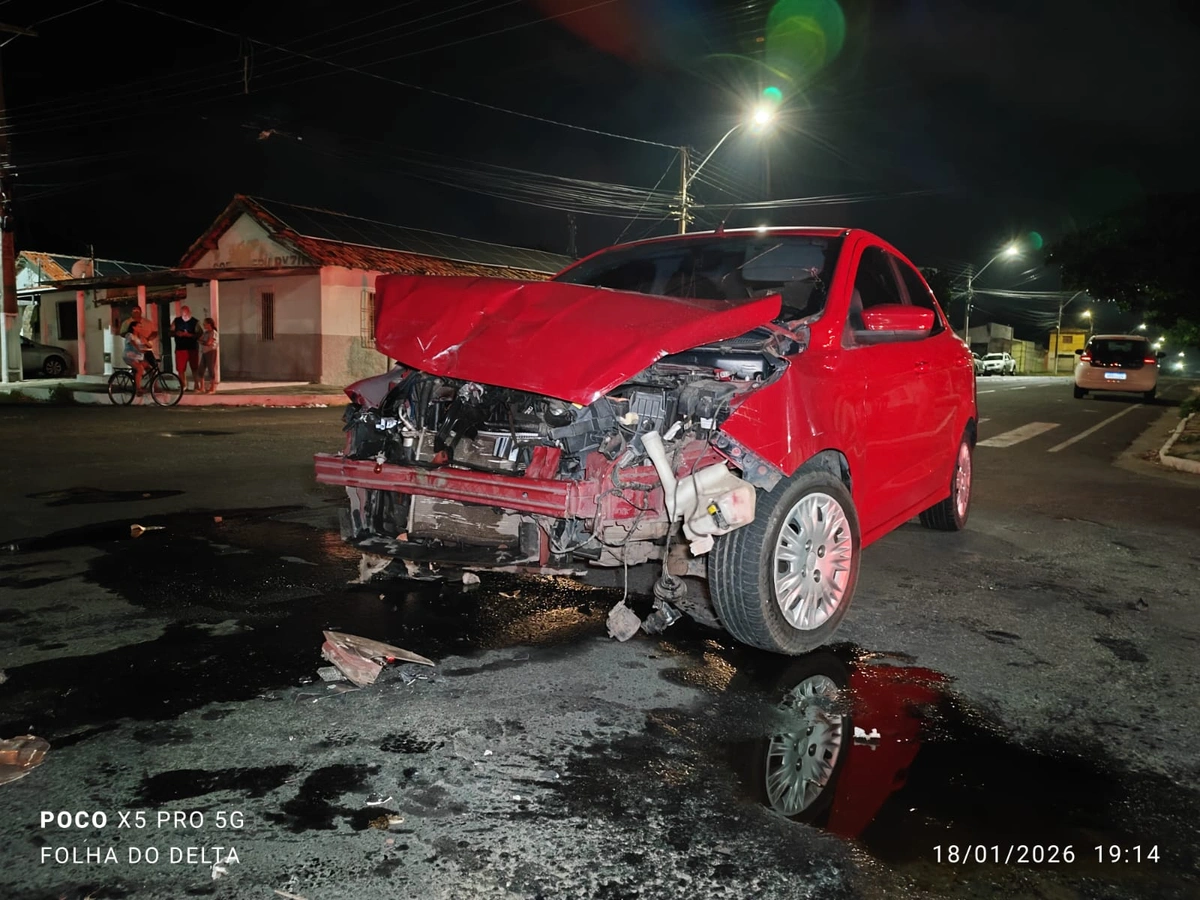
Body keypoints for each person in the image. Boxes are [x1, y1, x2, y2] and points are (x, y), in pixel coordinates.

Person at [121, 308, 157, 397]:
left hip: (138, 356)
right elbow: (134, 345)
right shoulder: (129, 335)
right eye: (139, 326)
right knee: (140, 369)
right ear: (133, 327)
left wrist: (147, 343)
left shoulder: (140, 337)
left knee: (149, 367)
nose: (140, 328)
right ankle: (138, 389)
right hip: (130, 356)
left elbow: (148, 345)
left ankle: (153, 386)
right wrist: (141, 349)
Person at [171, 305, 201, 391]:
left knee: (194, 367)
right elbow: (170, 332)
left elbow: (199, 334)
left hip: (192, 348)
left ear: (189, 312)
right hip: (180, 348)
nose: (184, 316)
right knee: (180, 368)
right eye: (182, 314)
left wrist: (189, 335)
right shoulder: (176, 321)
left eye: (185, 314)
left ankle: (196, 384)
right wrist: (176, 333)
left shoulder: (195, 322)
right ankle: (183, 384)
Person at [198, 318, 219, 394]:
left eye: (205, 324)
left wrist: (202, 342)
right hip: (204, 352)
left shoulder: (213, 332)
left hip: (211, 352)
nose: (204, 325)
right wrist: (203, 341)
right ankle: (202, 387)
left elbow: (209, 343)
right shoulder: (206, 332)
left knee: (211, 369)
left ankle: (212, 388)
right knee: (201, 369)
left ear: (209, 324)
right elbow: (200, 339)